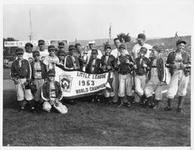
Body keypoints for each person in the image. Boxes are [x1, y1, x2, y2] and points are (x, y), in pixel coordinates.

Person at [164, 39, 190, 112]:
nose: (181, 47)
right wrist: (172, 65)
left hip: (184, 73)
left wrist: (184, 66)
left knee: (182, 89)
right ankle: (169, 106)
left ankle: (179, 108)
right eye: (180, 45)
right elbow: (166, 64)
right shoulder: (171, 54)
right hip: (174, 72)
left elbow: (190, 64)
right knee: (171, 89)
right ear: (177, 45)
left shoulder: (186, 54)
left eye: (183, 45)